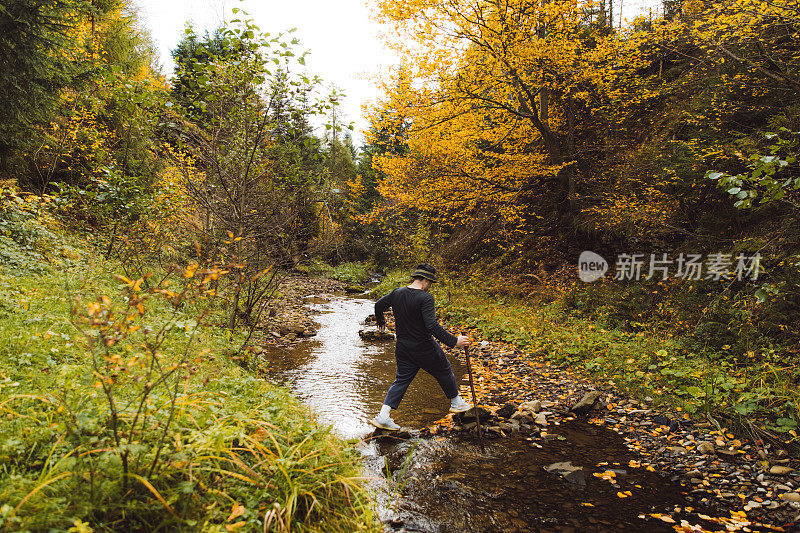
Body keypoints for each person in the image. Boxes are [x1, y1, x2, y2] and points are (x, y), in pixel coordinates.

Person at [370, 263, 471, 431]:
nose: (430, 286)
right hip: (424, 346)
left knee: (401, 379)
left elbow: (379, 305)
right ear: (425, 280)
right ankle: (457, 403)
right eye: (430, 282)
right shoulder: (425, 298)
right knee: (444, 370)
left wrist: (381, 321)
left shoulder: (397, 293)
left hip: (402, 346)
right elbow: (431, 326)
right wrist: (455, 342)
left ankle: (383, 416)